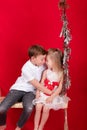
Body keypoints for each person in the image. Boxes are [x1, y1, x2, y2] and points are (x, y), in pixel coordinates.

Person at [0, 45, 52, 130]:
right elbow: (36, 84)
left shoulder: (43, 67)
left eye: (44, 59)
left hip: (31, 92)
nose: (44, 61)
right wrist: (49, 92)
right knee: (1, 108)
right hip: (19, 89)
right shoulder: (26, 68)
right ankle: (2, 124)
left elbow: (45, 78)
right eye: (42, 59)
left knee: (28, 108)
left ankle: (18, 127)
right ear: (33, 59)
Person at [33, 48, 70, 130]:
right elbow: (41, 83)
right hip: (43, 93)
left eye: (47, 61)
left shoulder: (61, 73)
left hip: (53, 94)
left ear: (55, 62)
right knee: (38, 106)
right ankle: (35, 127)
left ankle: (41, 127)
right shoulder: (46, 72)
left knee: (46, 108)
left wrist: (52, 97)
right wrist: (38, 92)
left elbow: (60, 87)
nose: (45, 62)